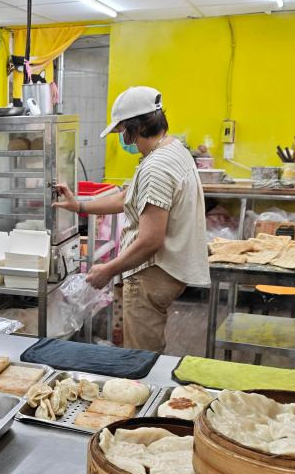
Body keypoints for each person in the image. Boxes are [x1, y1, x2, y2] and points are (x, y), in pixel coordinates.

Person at [55, 86, 209, 353]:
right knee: (143, 347)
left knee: (142, 355)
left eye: (121, 131)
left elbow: (150, 240)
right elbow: (126, 198)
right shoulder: (173, 150)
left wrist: (108, 269)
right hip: (169, 269)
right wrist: (79, 204)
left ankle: (146, 392)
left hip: (151, 274)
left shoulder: (157, 167)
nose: (121, 138)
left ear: (133, 127)